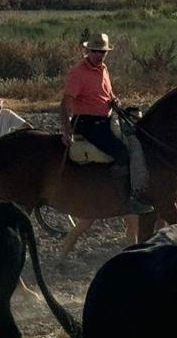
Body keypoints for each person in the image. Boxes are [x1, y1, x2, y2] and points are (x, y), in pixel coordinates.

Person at [61, 33, 151, 213]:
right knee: (121, 152)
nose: (99, 55)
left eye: (102, 52)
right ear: (88, 51)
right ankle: (125, 200)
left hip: (107, 118)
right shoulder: (79, 73)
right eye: (95, 51)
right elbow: (66, 102)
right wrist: (66, 129)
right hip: (87, 122)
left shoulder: (103, 69)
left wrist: (114, 101)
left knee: (138, 138)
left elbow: (106, 95)